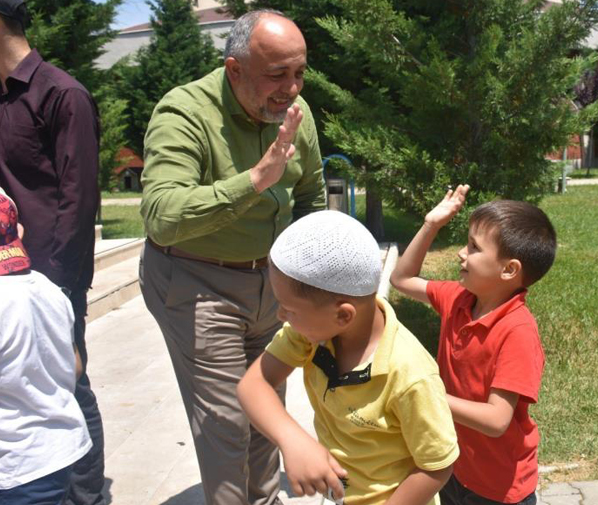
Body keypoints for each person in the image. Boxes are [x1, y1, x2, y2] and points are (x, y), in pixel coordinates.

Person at [139, 9, 326, 505]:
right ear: (234, 70)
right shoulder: (184, 113)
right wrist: (254, 181)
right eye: (277, 75)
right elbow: (161, 213)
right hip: (197, 281)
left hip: (271, 285)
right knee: (226, 423)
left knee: (265, 407)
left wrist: (311, 280)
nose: (292, 88)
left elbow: (311, 195)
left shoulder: (295, 113)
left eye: (299, 72)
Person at [237, 210, 459, 505]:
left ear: (343, 315)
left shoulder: (409, 374)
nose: (280, 316)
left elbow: (437, 465)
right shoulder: (311, 333)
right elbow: (253, 385)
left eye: (288, 308)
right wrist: (293, 440)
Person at [391, 186, 557, 504]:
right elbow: (401, 279)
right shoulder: (460, 298)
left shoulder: (517, 331)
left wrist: (425, 393)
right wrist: (431, 224)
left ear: (509, 270)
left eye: (474, 247)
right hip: (451, 465)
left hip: (498, 487)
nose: (461, 253)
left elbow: (496, 420)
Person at [0, 2, 104, 503]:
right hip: (8, 279)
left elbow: (79, 201)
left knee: (69, 387)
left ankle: (88, 497)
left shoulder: (62, 94)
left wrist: (60, 292)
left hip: (51, 279)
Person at [0, 192, 92, 505]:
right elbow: (76, 366)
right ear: (19, 231)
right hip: (57, 454)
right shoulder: (48, 289)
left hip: (13, 469)